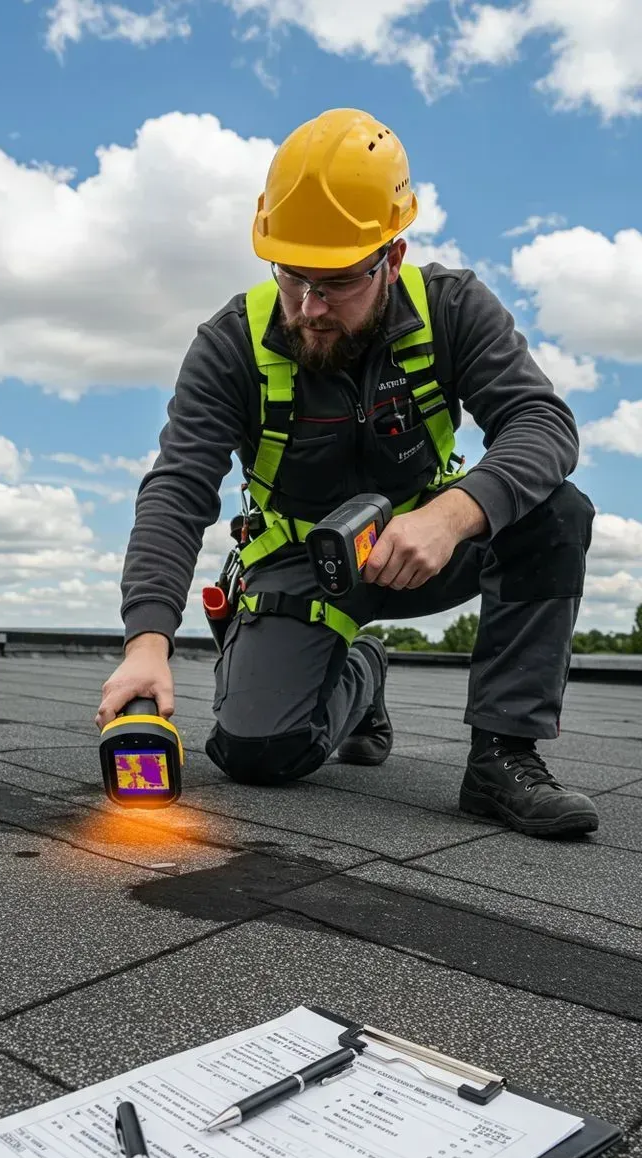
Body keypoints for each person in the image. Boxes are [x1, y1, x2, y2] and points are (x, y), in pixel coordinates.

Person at [97, 107, 598, 839]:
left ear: (391, 259)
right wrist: (147, 642)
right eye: (292, 277)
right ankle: (362, 668)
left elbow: (544, 424)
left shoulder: (453, 310)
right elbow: (177, 488)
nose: (309, 307)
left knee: (558, 511)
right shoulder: (232, 344)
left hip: (423, 549)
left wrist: (452, 514)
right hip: (299, 567)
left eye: (336, 282)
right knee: (258, 752)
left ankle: (503, 757)